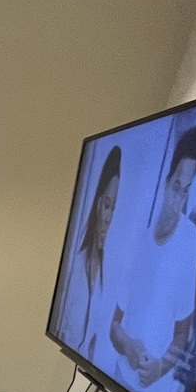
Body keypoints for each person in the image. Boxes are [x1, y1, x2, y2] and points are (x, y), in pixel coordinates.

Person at [109, 126, 196, 392]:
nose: (179, 198)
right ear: (166, 182)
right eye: (176, 186)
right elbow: (114, 325)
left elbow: (183, 331)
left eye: (186, 190)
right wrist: (127, 346)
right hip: (116, 375)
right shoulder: (141, 234)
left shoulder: (189, 238)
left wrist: (160, 368)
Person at [57, 145, 121, 361]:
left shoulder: (109, 275)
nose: (108, 217)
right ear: (97, 205)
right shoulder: (75, 267)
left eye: (114, 209)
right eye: (106, 205)